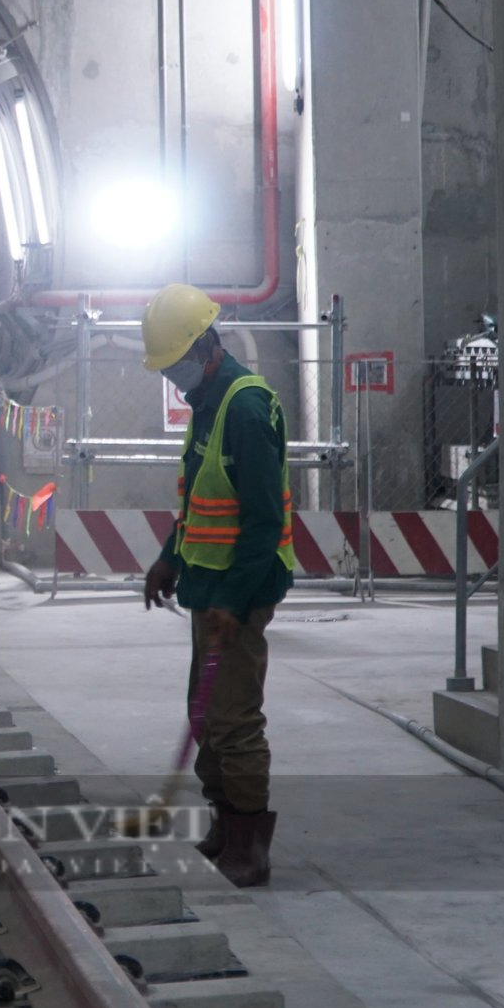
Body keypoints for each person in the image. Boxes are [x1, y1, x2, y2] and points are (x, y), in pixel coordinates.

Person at [138, 284, 294, 888]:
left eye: (177, 361)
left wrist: (233, 602)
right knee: (205, 715)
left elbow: (262, 522)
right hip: (207, 585)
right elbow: (203, 503)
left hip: (240, 589)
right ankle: (226, 825)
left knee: (233, 721)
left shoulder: (246, 410)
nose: (175, 375)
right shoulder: (207, 401)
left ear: (207, 345)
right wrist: (168, 560)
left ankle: (251, 843)